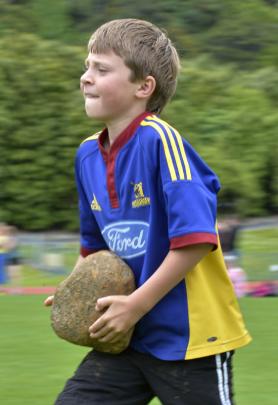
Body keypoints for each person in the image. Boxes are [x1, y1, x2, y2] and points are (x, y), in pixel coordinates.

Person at [45, 19, 251, 404]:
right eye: (87, 66)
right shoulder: (87, 154)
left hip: (190, 340)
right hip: (128, 339)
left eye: (101, 69)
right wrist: (75, 288)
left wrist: (134, 305)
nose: (86, 78)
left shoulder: (163, 143)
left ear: (144, 87)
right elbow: (94, 247)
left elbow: (196, 240)